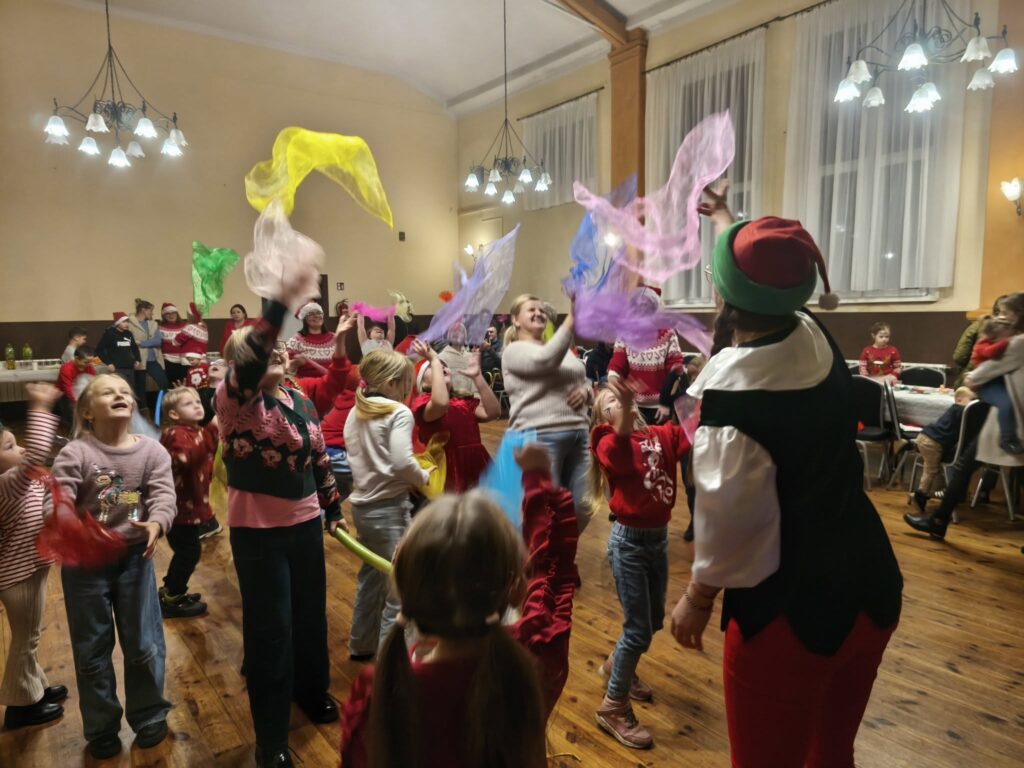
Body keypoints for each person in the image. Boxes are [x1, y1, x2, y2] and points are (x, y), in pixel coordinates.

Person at [670, 193, 902, 768]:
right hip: (870, 583)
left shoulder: (733, 401)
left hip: (789, 618)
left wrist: (697, 599)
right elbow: (762, 275)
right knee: (831, 755)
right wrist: (725, 219)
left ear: (727, 297)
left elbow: (730, 527)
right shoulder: (812, 331)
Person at [340, 443, 579, 768]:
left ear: (406, 589)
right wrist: (538, 483)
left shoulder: (382, 693)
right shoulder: (533, 655)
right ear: (512, 589)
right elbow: (553, 571)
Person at [218, 277, 345, 768]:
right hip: (259, 535)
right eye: (258, 351)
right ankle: (270, 737)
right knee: (271, 630)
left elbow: (319, 458)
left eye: (276, 348)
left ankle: (310, 690)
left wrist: (332, 508)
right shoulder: (235, 403)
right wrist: (281, 303)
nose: (272, 353)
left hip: (306, 523)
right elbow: (253, 359)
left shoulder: (300, 399)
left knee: (311, 617)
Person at [52, 374, 176, 760]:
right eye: (108, 392)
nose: (119, 395)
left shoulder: (152, 452)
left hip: (134, 559)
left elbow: (163, 496)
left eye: (125, 391)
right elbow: (59, 498)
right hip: (84, 564)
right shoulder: (75, 453)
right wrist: (67, 522)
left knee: (144, 644)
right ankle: (102, 726)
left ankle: (149, 713)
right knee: (91, 649)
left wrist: (157, 524)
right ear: (87, 412)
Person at [588, 378, 690, 749]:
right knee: (638, 630)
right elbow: (616, 456)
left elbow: (691, 432)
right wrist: (624, 417)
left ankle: (617, 667)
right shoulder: (605, 439)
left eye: (622, 398)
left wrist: (704, 387)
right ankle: (613, 705)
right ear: (603, 418)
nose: (620, 403)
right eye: (611, 403)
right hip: (628, 545)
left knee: (653, 621)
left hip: (657, 541)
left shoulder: (660, 434)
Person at [905, 292, 1024, 541]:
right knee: (966, 465)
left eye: (1006, 312)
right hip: (1009, 416)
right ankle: (938, 520)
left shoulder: (1018, 342)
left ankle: (938, 521)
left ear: (1018, 315)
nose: (1002, 316)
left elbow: (985, 371)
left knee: (965, 466)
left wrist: (972, 378)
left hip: (1009, 420)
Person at [344, 348, 430, 662]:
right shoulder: (398, 412)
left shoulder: (356, 411)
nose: (408, 388)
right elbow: (402, 461)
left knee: (371, 578)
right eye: (406, 382)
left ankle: (361, 644)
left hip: (362, 509)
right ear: (393, 383)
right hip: (388, 510)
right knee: (399, 591)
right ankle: (391, 665)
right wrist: (423, 477)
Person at [0, 383, 67, 730]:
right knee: (26, 641)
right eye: (10, 446)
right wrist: (40, 406)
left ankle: (35, 688)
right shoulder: (7, 483)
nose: (22, 448)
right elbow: (38, 451)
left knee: (30, 637)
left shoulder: (16, 484)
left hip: (28, 571)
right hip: (19, 576)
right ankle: (20, 707)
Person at [502, 294, 594, 531]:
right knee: (544, 511)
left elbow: (582, 378)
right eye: (531, 309)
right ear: (515, 320)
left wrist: (586, 392)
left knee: (583, 506)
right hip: (541, 438)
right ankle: (538, 553)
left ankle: (561, 549)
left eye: (542, 309)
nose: (538, 313)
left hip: (579, 433)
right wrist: (572, 318)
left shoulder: (557, 348)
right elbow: (544, 361)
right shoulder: (514, 351)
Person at [158, 387, 219, 619]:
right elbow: (186, 458)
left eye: (197, 402)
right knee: (189, 553)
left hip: (188, 508)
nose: (196, 405)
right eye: (188, 403)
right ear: (174, 414)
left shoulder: (195, 432)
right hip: (178, 510)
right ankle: (172, 597)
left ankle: (171, 589)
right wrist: (212, 431)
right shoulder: (176, 433)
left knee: (187, 552)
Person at [410, 340, 500, 492]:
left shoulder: (462, 401)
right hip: (448, 469)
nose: (441, 366)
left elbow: (493, 412)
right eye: (432, 367)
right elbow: (440, 403)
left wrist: (478, 377)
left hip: (475, 462)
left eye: (444, 365)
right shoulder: (424, 403)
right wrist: (434, 359)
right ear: (421, 382)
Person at [608, 286, 686, 424]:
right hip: (633, 406)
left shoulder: (668, 333)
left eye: (646, 306)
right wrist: (614, 380)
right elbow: (617, 365)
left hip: (660, 407)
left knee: (658, 438)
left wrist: (665, 403)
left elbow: (676, 368)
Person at [910, 387, 976, 512]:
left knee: (934, 469)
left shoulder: (955, 410)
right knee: (931, 470)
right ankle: (920, 495)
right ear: (959, 400)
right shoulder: (961, 411)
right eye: (972, 400)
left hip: (928, 438)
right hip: (933, 442)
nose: (973, 403)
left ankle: (936, 491)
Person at [969, 304, 1022, 454]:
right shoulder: (983, 344)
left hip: (996, 381)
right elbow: (990, 353)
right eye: (1010, 333)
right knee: (1006, 404)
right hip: (987, 385)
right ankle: (1007, 439)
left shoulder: (999, 341)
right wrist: (1009, 342)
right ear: (997, 334)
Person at [952, 295, 1006, 388]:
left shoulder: (978, 325)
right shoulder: (1015, 331)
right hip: (1001, 384)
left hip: (971, 380)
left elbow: (959, 357)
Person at [95, 313, 142, 401]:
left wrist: (137, 359)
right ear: (117, 323)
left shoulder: (128, 334)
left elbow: (134, 347)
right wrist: (108, 363)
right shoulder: (110, 334)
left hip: (130, 367)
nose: (126, 324)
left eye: (127, 322)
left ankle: (132, 407)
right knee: (121, 390)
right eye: (123, 322)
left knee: (131, 390)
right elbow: (99, 350)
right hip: (117, 368)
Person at [129, 298, 169, 395]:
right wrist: (147, 342)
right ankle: (143, 405)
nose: (152, 313)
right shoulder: (130, 324)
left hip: (152, 360)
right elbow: (131, 342)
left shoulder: (153, 324)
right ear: (144, 310)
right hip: (138, 360)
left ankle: (164, 403)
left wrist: (141, 343)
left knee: (164, 383)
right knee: (140, 389)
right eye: (151, 310)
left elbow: (157, 341)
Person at [287, 301, 335, 377]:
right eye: (311, 314)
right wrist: (296, 362)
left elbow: (342, 362)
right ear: (305, 319)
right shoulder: (296, 339)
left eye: (319, 313)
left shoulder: (334, 337)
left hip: (332, 381)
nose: (316, 316)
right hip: (306, 382)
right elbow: (286, 365)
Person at [56, 345, 96, 428]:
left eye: (90, 362)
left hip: (81, 393)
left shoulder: (89, 368)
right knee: (71, 410)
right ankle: (73, 429)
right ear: (76, 358)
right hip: (64, 395)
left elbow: (93, 384)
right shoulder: (66, 369)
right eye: (85, 362)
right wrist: (77, 402)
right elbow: (67, 389)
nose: (88, 364)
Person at [438, 322, 478, 396]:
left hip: (469, 399)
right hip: (450, 399)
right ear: (449, 336)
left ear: (465, 336)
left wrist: (476, 397)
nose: (456, 333)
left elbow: (475, 381)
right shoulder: (441, 357)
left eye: (460, 331)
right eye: (453, 331)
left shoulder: (471, 357)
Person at [159, 302, 189, 385]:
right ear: (164, 316)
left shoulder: (186, 325)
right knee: (172, 384)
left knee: (185, 383)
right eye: (167, 314)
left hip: (184, 360)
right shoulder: (160, 327)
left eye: (173, 313)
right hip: (168, 361)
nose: (171, 315)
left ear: (177, 313)